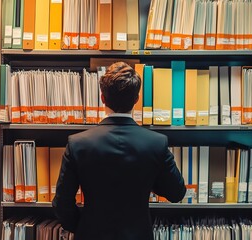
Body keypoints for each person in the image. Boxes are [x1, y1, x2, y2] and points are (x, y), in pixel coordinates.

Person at [53, 61, 186, 240]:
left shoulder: (78, 143)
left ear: (103, 98)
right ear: (137, 99)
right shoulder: (156, 143)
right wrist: (150, 178)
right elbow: (177, 193)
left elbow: (62, 203)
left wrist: (83, 226)